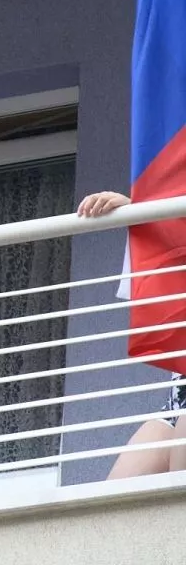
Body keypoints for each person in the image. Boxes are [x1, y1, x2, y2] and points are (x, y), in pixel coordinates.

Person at [77, 190, 186, 479]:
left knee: (180, 482)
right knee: (118, 493)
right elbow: (173, 247)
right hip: (178, 393)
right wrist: (137, 211)